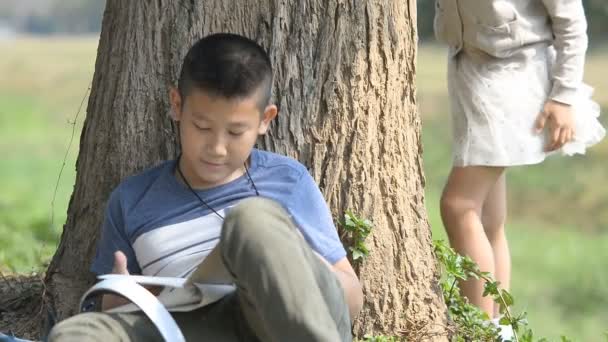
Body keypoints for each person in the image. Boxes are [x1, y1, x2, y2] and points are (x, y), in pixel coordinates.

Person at [48, 33, 363, 342]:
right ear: (177, 105)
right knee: (75, 334)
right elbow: (118, 310)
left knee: (251, 221)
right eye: (202, 127)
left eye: (236, 132)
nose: (217, 148)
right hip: (199, 325)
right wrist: (119, 297)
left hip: (284, 317)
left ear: (265, 119)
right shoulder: (132, 200)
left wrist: (297, 260)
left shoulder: (287, 180)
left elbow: (351, 300)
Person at [434, 0, 605, 329]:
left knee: (458, 206)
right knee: (488, 218)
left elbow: (571, 22)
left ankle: (479, 328)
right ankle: (498, 329)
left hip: (512, 75)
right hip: (468, 70)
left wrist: (564, 95)